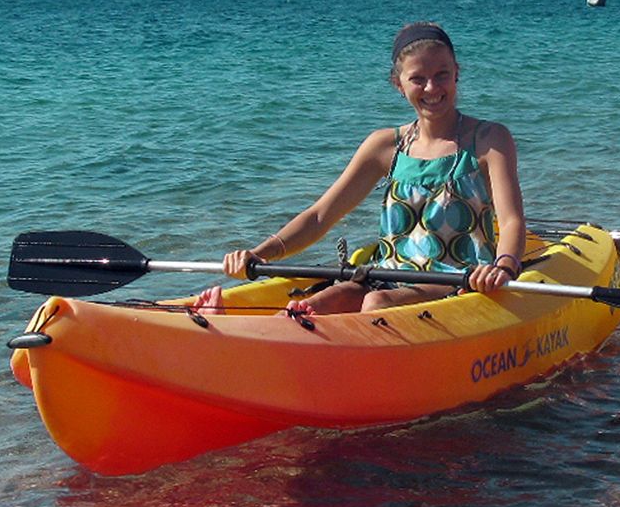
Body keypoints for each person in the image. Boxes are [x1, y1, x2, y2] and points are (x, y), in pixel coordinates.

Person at [199, 22, 527, 316]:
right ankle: (236, 343)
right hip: (387, 277)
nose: (431, 88)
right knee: (311, 306)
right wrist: (259, 254)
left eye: (441, 74)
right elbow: (319, 217)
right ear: (399, 84)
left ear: (457, 72)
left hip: (461, 280)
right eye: (418, 79)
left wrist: (505, 266)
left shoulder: (489, 140)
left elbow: (511, 219)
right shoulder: (384, 146)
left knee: (375, 305)